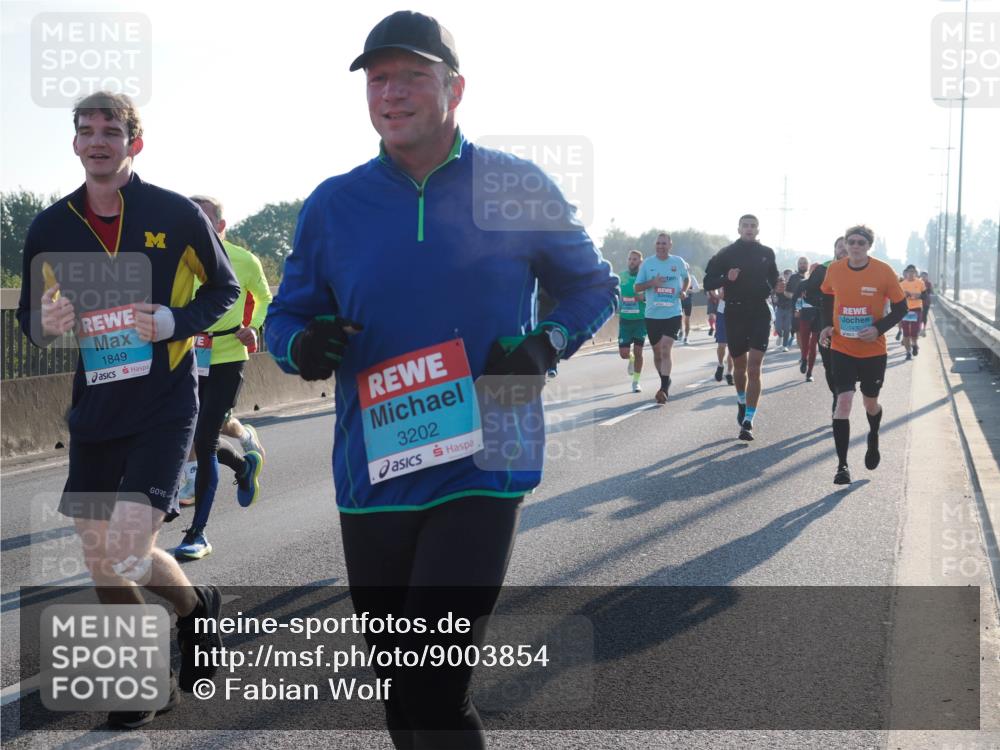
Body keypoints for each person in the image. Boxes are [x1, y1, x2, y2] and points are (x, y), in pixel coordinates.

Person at [264, 12, 618, 748]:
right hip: (375, 464)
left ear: (454, 88)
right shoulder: (334, 203)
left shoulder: (515, 184)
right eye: (378, 79)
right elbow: (285, 317)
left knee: (435, 679)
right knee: (398, 687)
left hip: (489, 450)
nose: (391, 93)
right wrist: (306, 344)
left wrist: (545, 344)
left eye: (412, 77)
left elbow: (591, 287)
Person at [15, 91, 237, 728]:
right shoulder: (51, 227)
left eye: (111, 131)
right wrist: (45, 322)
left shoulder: (173, 213)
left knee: (128, 544)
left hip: (164, 402)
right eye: (86, 131)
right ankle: (194, 610)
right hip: (95, 407)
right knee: (100, 554)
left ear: (134, 142)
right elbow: (33, 318)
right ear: (76, 144)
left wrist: (174, 320)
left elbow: (223, 290)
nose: (97, 141)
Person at [173, 195, 273, 559]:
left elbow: (262, 298)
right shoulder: (176, 259)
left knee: (203, 436)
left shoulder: (244, 260)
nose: (196, 226)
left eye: (203, 219)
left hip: (229, 354)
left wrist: (253, 326)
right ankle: (244, 463)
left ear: (220, 226)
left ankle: (197, 533)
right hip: (185, 354)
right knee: (193, 434)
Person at [819, 225, 907, 485]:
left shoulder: (883, 271)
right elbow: (824, 296)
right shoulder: (834, 270)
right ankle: (842, 466)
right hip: (842, 348)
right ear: (845, 244)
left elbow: (901, 307)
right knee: (843, 402)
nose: (855, 246)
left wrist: (878, 329)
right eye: (851, 242)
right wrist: (826, 323)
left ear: (869, 246)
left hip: (873, 351)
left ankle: (874, 435)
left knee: (870, 403)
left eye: (860, 242)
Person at [703, 214, 778, 441]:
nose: (749, 229)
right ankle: (741, 400)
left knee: (754, 368)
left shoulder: (767, 253)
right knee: (739, 366)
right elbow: (707, 282)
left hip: (759, 312)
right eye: (745, 225)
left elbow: (774, 280)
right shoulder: (726, 253)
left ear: (758, 230)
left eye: (753, 226)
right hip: (734, 312)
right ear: (738, 229)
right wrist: (727, 277)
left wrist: (778, 285)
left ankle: (748, 421)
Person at [635, 233, 690, 403]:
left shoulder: (678, 262)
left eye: (664, 243)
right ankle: (665, 380)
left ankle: (664, 389)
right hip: (652, 315)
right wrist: (652, 283)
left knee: (666, 349)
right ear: (655, 245)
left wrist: (683, 291)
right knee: (657, 353)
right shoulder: (647, 264)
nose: (661, 246)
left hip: (672, 312)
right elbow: (637, 287)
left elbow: (686, 279)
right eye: (658, 243)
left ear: (670, 245)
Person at [798, 237, 849, 410]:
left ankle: (844, 395)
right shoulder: (823, 269)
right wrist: (825, 301)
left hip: (852, 325)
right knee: (829, 365)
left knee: (848, 366)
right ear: (834, 250)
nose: (843, 249)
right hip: (825, 323)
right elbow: (809, 293)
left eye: (846, 246)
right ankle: (837, 395)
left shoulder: (862, 269)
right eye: (839, 247)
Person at [617, 249, 647, 393]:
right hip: (625, 320)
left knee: (639, 351)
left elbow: (650, 295)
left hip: (640, 320)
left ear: (640, 262)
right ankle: (631, 358)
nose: (631, 261)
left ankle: (636, 382)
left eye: (635, 259)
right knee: (624, 353)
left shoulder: (644, 278)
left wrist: (643, 297)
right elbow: (615, 292)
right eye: (630, 259)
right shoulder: (621, 276)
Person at [794, 263, 822, 382]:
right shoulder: (803, 283)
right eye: (813, 270)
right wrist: (796, 309)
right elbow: (796, 298)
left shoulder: (824, 285)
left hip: (818, 316)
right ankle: (804, 358)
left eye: (817, 271)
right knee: (805, 343)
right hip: (805, 315)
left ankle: (809, 372)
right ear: (810, 271)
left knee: (813, 345)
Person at [898, 264, 926, 362]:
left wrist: (918, 296)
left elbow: (925, 295)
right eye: (909, 271)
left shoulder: (920, 283)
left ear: (915, 273)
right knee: (906, 333)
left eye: (913, 271)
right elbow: (898, 298)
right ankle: (908, 353)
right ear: (906, 273)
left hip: (917, 310)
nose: (911, 273)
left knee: (914, 332)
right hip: (905, 310)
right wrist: (904, 296)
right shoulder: (902, 284)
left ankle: (914, 344)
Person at [786, 256, 810, 365]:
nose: (802, 265)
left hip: (811, 309)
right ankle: (803, 355)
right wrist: (796, 296)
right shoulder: (793, 278)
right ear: (798, 265)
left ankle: (809, 353)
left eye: (804, 263)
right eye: (800, 263)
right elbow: (786, 292)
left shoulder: (812, 276)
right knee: (799, 332)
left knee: (810, 333)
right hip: (797, 310)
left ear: (808, 265)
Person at [713, 288, 734, 384]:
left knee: (733, 347)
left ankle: (729, 373)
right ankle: (720, 364)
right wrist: (717, 294)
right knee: (721, 345)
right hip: (722, 313)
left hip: (737, 313)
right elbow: (712, 288)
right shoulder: (722, 275)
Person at [772, 270, 795, 351]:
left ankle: (785, 345)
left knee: (787, 328)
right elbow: (773, 294)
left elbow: (794, 296)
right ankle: (780, 335)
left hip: (789, 309)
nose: (787, 277)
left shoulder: (792, 286)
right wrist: (774, 298)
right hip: (780, 308)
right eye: (786, 275)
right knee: (778, 326)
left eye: (789, 275)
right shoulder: (778, 283)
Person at [679, 259, 699, 344]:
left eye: (686, 269)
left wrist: (688, 290)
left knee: (687, 320)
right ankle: (680, 330)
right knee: (678, 318)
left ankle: (686, 337)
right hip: (679, 300)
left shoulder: (692, 277)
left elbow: (697, 289)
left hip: (687, 301)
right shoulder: (678, 277)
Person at [920, 271, 933, 337]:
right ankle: (920, 329)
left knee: (924, 316)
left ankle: (924, 329)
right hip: (918, 303)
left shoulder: (929, 284)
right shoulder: (918, 283)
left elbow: (929, 292)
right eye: (922, 276)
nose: (924, 277)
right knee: (919, 316)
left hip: (926, 303)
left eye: (925, 276)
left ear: (927, 277)